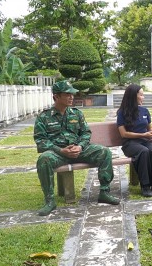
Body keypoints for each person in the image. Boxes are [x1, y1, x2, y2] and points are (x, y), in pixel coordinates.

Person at [33, 80, 120, 216]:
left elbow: (86, 133)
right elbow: (41, 140)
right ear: (56, 96)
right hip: (59, 153)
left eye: (72, 94)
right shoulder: (44, 117)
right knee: (44, 159)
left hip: (79, 150)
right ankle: (49, 200)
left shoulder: (76, 113)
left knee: (104, 152)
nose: (71, 97)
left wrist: (80, 147)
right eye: (67, 94)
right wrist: (60, 150)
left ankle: (104, 192)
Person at [117, 84, 152, 197]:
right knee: (144, 151)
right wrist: (142, 134)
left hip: (145, 141)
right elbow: (124, 133)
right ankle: (145, 186)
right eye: (141, 95)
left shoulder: (145, 111)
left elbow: (149, 129)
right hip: (130, 143)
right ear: (133, 96)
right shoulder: (121, 112)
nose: (143, 97)